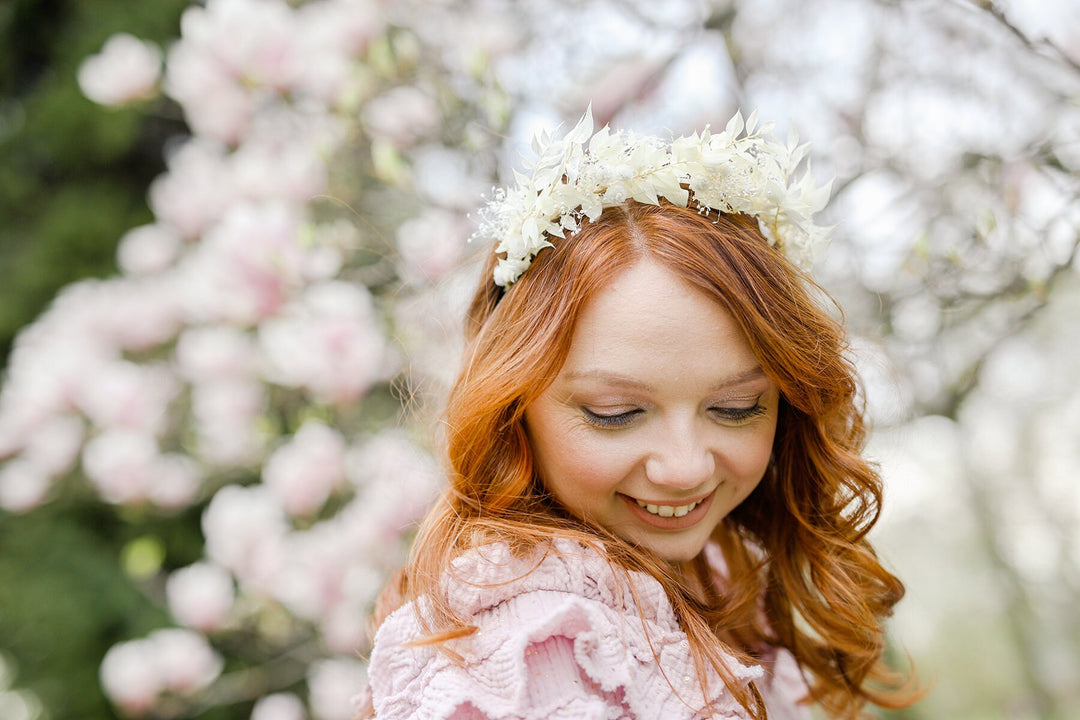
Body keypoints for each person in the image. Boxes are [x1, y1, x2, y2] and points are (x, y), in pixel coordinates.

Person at [357, 109, 915, 719]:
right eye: (616, 413)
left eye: (736, 408)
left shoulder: (725, 579)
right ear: (513, 407)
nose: (685, 468)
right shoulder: (534, 658)